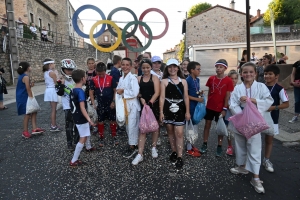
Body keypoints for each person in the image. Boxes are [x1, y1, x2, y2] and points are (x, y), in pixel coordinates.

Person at [229, 62, 274, 194]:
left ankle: (256, 177)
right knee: (240, 145)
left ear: (255, 73)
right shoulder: (237, 88)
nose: (248, 74)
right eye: (245, 72)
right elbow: (232, 104)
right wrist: (242, 116)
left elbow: (269, 100)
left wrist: (255, 101)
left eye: (250, 72)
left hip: (254, 122)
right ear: (241, 74)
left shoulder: (261, 87)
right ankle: (242, 166)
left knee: (254, 148)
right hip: (241, 120)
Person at [160, 58, 190, 170]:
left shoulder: (183, 81)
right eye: (170, 67)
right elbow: (162, 97)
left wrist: (187, 111)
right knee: (170, 131)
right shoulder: (164, 81)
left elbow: (186, 97)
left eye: (174, 66)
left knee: (179, 133)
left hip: (180, 108)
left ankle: (180, 156)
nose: (172, 69)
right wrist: (161, 112)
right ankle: (173, 151)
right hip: (168, 108)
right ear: (167, 68)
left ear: (178, 68)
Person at [199, 59, 234, 156]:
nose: (218, 69)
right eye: (217, 67)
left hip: (220, 108)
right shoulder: (211, 78)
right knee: (207, 125)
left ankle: (219, 146)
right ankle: (204, 143)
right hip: (210, 106)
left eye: (221, 67)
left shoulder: (228, 81)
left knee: (220, 128)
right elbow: (210, 91)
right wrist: (208, 102)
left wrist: (224, 109)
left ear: (225, 68)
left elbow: (227, 96)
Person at [132, 59, 160, 165]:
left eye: (147, 67)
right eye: (143, 67)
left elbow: (157, 92)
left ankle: (154, 147)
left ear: (151, 67)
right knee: (142, 129)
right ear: (141, 68)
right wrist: (141, 98)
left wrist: (151, 102)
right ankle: (140, 153)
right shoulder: (138, 78)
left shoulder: (155, 78)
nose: (146, 69)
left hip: (153, 105)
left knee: (154, 128)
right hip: (143, 106)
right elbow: (137, 92)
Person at [263, 64, 289, 172]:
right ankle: (251, 160)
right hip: (258, 117)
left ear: (276, 76)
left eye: (270, 74)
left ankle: (267, 160)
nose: (267, 76)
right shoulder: (260, 86)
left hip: (272, 117)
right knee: (254, 140)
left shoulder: (280, 89)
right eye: (265, 74)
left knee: (269, 140)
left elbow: (286, 104)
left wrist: (274, 107)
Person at [69, 69, 96, 167]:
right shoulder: (80, 92)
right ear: (82, 79)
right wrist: (89, 119)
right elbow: (82, 107)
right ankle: (74, 160)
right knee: (83, 137)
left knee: (85, 131)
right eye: (85, 76)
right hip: (81, 117)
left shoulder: (73, 89)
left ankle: (88, 147)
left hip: (76, 115)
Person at [117, 57, 141, 158]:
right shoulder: (121, 78)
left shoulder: (133, 78)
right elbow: (118, 89)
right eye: (123, 65)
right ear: (120, 65)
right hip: (124, 105)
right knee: (127, 126)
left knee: (133, 126)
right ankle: (131, 144)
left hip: (132, 105)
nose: (125, 67)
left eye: (127, 65)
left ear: (131, 66)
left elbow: (135, 93)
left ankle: (134, 146)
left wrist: (123, 92)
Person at [89, 62, 118, 146]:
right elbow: (91, 92)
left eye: (102, 73)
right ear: (96, 71)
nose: (101, 75)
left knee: (112, 120)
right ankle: (101, 137)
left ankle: (114, 136)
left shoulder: (111, 78)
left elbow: (115, 91)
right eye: (99, 74)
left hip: (110, 103)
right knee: (100, 120)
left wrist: (114, 101)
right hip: (100, 104)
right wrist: (94, 103)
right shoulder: (93, 79)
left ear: (105, 71)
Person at [56, 59, 80, 150]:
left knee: (78, 124)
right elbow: (60, 93)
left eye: (71, 70)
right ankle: (69, 142)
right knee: (69, 125)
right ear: (63, 69)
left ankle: (77, 140)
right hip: (67, 106)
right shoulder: (60, 80)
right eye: (67, 70)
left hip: (77, 105)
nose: (69, 72)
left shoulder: (75, 79)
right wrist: (61, 84)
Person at [16, 62, 45, 138]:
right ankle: (25, 131)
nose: (31, 67)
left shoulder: (22, 76)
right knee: (28, 113)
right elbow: (27, 89)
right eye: (30, 66)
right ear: (28, 68)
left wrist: (30, 85)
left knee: (34, 111)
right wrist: (31, 98)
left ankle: (34, 128)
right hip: (24, 97)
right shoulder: (26, 77)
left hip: (23, 96)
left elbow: (26, 86)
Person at [185, 61, 203, 157]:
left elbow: (195, 92)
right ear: (192, 70)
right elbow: (186, 95)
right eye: (198, 69)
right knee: (190, 127)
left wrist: (199, 93)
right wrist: (197, 99)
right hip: (190, 106)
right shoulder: (187, 80)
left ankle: (192, 144)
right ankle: (188, 148)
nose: (200, 71)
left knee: (194, 126)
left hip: (196, 106)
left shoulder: (197, 80)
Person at [43, 58, 61, 131]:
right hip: (52, 90)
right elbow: (56, 82)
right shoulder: (52, 73)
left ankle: (54, 124)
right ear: (50, 64)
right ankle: (53, 125)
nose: (54, 65)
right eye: (53, 63)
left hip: (48, 90)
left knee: (53, 109)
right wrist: (58, 76)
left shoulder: (46, 72)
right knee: (54, 109)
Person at [224, 70, 239, 156]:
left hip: (237, 112)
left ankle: (238, 146)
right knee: (229, 130)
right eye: (231, 78)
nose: (233, 80)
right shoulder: (227, 88)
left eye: (235, 78)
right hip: (229, 112)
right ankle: (229, 146)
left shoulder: (239, 88)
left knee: (237, 130)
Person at [110, 55, 126, 135]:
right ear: (119, 62)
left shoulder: (114, 70)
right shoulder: (115, 71)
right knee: (118, 109)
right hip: (117, 92)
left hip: (117, 91)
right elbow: (116, 83)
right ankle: (119, 127)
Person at [150, 55, 163, 145]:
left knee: (160, 119)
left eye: (158, 63)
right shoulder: (149, 73)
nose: (156, 65)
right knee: (153, 119)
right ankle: (154, 137)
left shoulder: (163, 74)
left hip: (162, 98)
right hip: (153, 98)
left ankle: (157, 136)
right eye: (154, 63)